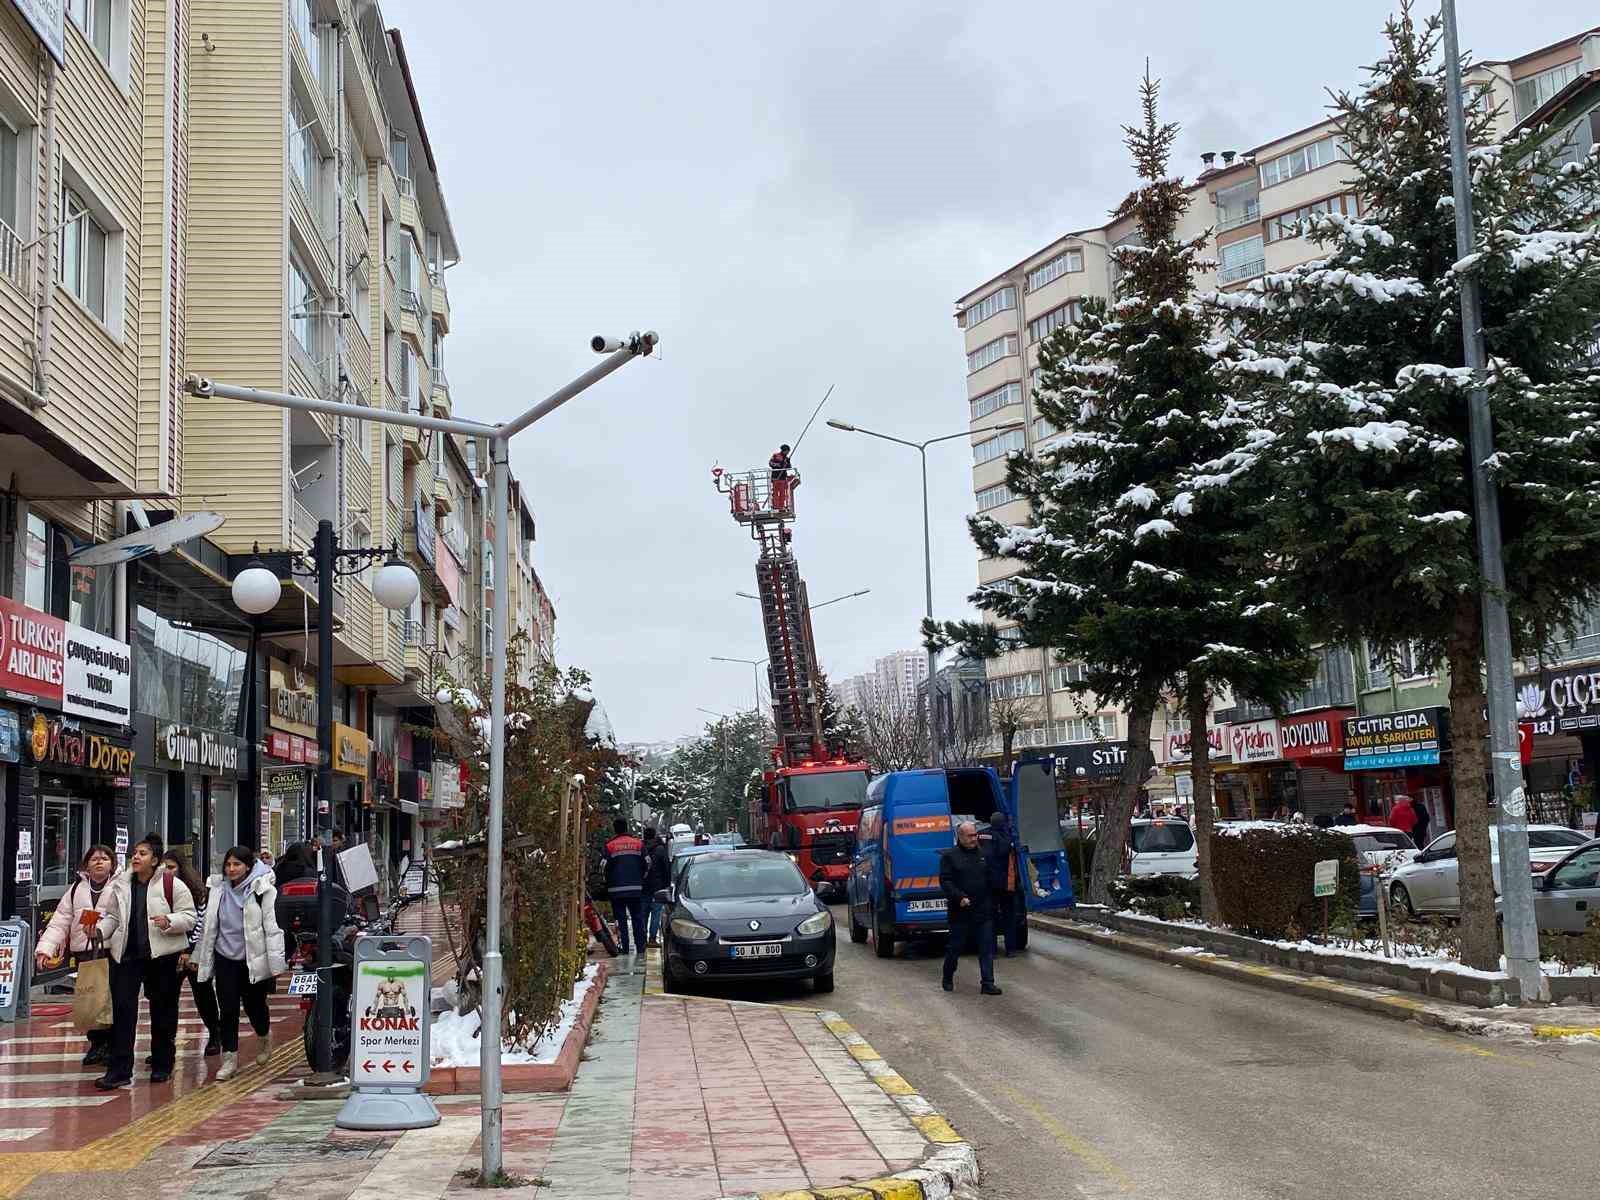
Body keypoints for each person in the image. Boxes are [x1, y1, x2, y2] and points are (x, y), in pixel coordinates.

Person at [89, 838, 196, 1089]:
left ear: (155, 860)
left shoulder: (172, 884)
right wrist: (100, 932)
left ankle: (162, 1064)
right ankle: (119, 1070)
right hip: (126, 956)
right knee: (123, 1012)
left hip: (161, 956)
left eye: (143, 854)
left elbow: (189, 917)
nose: (135, 857)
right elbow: (114, 917)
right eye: (134, 853)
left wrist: (169, 921)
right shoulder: (121, 884)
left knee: (163, 1011)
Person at [195, 846, 287, 1081]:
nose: (232, 869)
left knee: (254, 1006)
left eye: (237, 864)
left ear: (248, 866)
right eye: (228, 864)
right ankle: (229, 1059)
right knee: (227, 1009)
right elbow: (208, 927)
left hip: (251, 958)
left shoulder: (262, 889)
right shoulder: (217, 889)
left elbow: (272, 927)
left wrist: (276, 962)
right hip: (225, 957)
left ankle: (264, 1036)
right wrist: (199, 956)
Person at [35, 845, 116, 1065]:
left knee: (111, 1000)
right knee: (90, 999)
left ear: (112, 864)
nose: (99, 862)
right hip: (84, 953)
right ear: (86, 865)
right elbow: (59, 921)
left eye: (104, 859)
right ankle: (97, 1044)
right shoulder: (76, 889)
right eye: (94, 859)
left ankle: (113, 1044)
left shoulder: (120, 887)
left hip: (112, 951)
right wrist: (45, 949)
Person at [162, 851, 221, 1058]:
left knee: (203, 995)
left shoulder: (197, 891)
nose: (167, 872)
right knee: (167, 999)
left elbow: (201, 923)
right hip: (169, 952)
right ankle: (165, 1045)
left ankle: (215, 1034)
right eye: (163, 868)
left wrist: (190, 952)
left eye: (171, 867)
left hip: (195, 951)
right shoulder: (157, 891)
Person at [939, 821, 1001, 996]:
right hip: (961, 912)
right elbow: (946, 881)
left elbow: (991, 879)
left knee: (986, 948)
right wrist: (959, 897)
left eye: (975, 835)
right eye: (970, 836)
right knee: (955, 948)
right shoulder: (950, 857)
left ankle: (988, 983)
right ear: (960, 836)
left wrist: (993, 900)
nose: (974, 839)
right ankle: (948, 975)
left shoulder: (984, 854)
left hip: (983, 910)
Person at [601, 818, 647, 954]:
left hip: (616, 890)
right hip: (635, 889)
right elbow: (648, 863)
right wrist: (640, 878)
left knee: (620, 920)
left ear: (615, 829)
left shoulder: (609, 846)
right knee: (637, 918)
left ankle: (625, 947)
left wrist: (607, 881)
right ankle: (640, 947)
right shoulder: (638, 844)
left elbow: (602, 866)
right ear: (626, 827)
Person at [980, 811, 1022, 957]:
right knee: (1008, 917)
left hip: (989, 884)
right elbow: (1004, 850)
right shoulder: (1007, 836)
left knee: (990, 917)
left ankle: (992, 951)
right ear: (1003, 823)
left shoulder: (982, 835)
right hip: (1006, 885)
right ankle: (1010, 949)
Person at [641, 827, 671, 948]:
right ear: (655, 835)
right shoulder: (660, 849)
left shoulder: (641, 849)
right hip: (658, 888)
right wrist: (666, 885)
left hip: (643, 887)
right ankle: (652, 939)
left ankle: (642, 938)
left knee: (643, 913)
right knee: (656, 913)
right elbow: (666, 868)